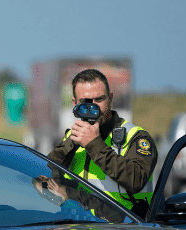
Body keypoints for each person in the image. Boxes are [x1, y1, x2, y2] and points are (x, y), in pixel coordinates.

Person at [42, 69, 158, 216]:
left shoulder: (136, 137)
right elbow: (45, 174)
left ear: (110, 98)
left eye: (99, 99)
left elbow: (135, 180)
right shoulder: (71, 138)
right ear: (75, 103)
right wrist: (72, 143)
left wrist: (94, 143)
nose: (93, 107)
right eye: (85, 102)